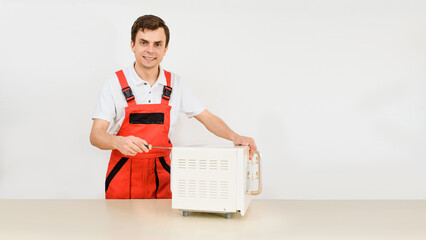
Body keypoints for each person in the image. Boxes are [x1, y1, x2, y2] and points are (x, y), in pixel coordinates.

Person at [90, 15, 256, 199]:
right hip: (122, 176)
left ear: (165, 49)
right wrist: (118, 142)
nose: (150, 50)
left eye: (157, 44)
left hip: (162, 178)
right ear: (132, 45)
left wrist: (236, 136)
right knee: (121, 227)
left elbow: (207, 117)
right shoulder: (114, 83)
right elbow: (96, 135)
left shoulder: (175, 84)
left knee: (164, 227)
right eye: (144, 42)